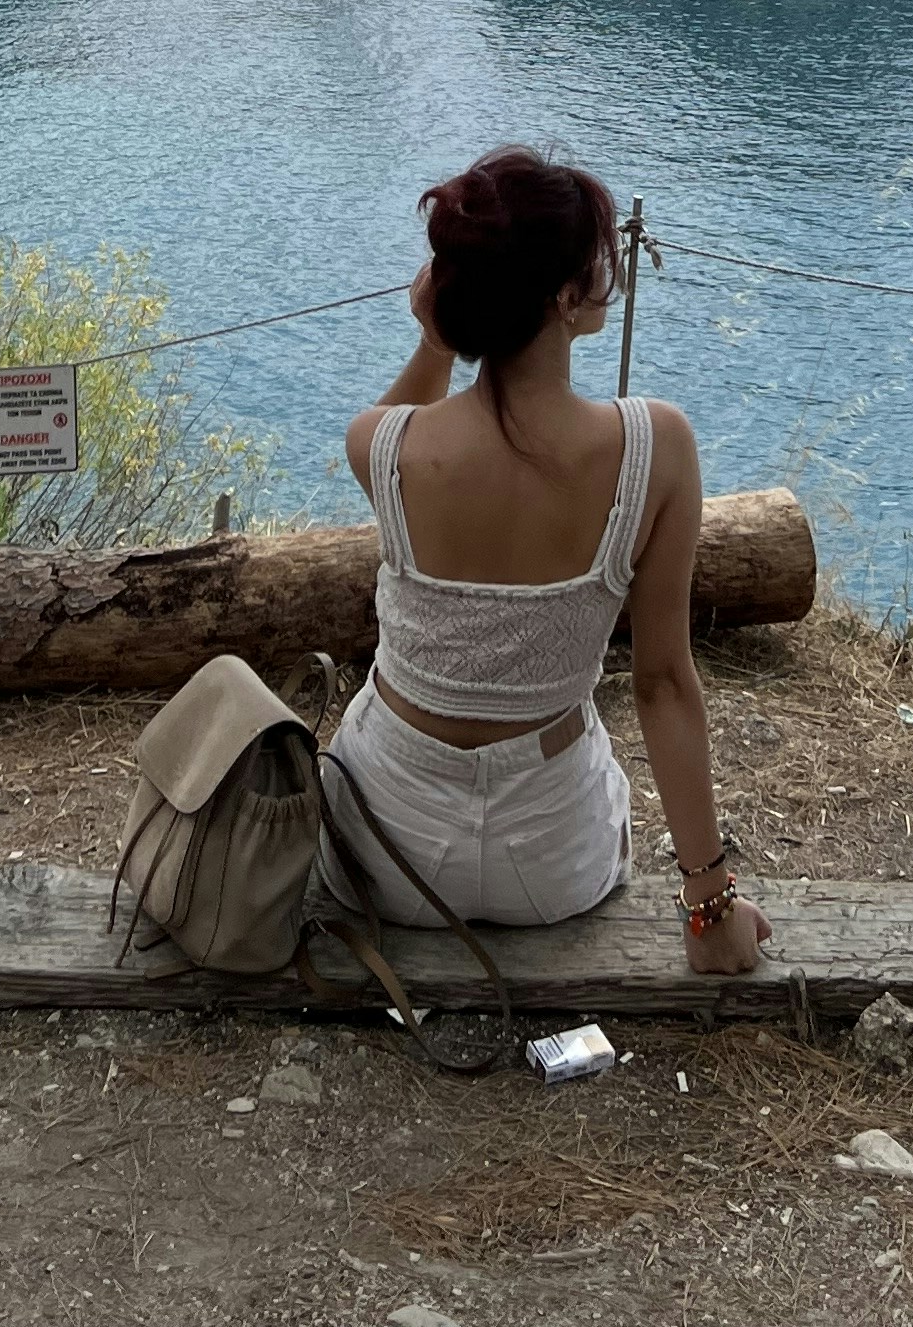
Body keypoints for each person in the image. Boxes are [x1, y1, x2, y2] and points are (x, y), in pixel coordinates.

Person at [326, 143, 770, 980]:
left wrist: (435, 342)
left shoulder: (380, 447)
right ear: (567, 297)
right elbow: (663, 683)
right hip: (554, 865)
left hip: (384, 857)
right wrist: (709, 912)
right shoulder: (655, 448)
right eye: (594, 261)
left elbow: (391, 426)